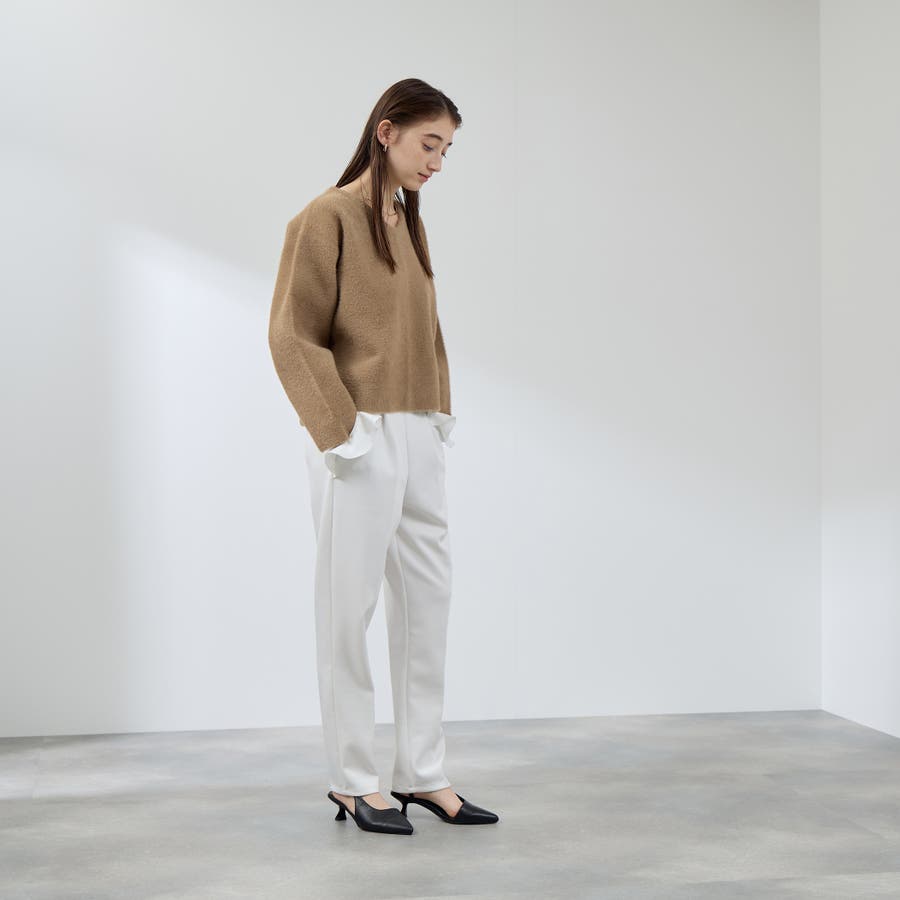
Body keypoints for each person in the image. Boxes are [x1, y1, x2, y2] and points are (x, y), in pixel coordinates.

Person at [268, 78, 499, 835]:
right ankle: (353, 779)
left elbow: (421, 329)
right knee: (349, 610)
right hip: (358, 435)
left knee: (427, 604)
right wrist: (341, 432)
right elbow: (291, 333)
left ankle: (422, 774)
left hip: (419, 430)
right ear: (386, 131)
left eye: (447, 149)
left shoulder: (407, 220)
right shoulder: (326, 216)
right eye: (430, 143)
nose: (438, 162)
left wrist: (437, 413)